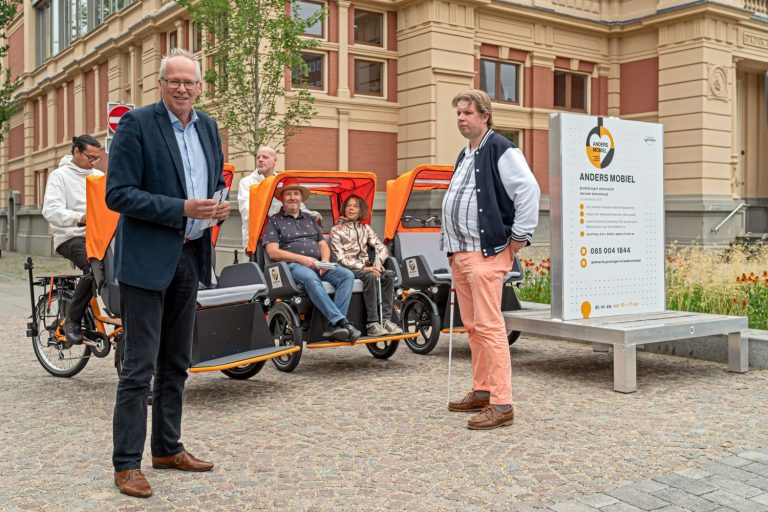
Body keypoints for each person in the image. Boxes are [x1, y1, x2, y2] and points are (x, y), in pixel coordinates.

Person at [106, 48, 230, 498]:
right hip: (146, 260)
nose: (182, 88)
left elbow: (212, 181)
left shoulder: (209, 127)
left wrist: (217, 206)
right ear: (159, 84)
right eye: (173, 81)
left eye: (190, 82)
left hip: (191, 254)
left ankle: (166, 447)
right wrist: (182, 208)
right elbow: (117, 194)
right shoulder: (137, 124)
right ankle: (126, 464)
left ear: (200, 87)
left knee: (177, 361)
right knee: (138, 367)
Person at [443, 89, 540, 430]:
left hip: (485, 254)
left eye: (467, 112)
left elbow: (528, 190)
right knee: (474, 327)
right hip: (462, 253)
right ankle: (482, 390)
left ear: (484, 116)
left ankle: (501, 403)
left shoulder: (501, 148)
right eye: (458, 113)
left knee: (490, 327)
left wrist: (518, 239)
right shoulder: (466, 154)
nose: (461, 118)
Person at [263, 179, 361, 342]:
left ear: (301, 198)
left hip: (317, 264)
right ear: (282, 198)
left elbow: (322, 244)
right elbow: (273, 252)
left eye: (296, 194)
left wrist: (324, 261)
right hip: (292, 267)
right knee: (310, 277)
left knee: (347, 275)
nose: (292, 197)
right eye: (288, 194)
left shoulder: (310, 219)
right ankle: (340, 322)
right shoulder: (274, 221)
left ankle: (334, 327)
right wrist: (303, 259)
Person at [42, 134, 104, 346]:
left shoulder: (98, 175)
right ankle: (73, 321)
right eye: (90, 157)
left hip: (99, 235)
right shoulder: (59, 176)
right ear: (76, 151)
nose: (94, 162)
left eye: (97, 158)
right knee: (92, 268)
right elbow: (50, 210)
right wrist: (79, 218)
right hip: (70, 236)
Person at [329, 195, 403, 336]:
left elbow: (382, 249)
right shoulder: (336, 230)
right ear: (344, 209)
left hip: (367, 267)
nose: (351, 208)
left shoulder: (365, 228)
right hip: (347, 270)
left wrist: (378, 261)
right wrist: (364, 267)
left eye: (355, 206)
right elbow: (340, 259)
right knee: (370, 275)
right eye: (348, 205)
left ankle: (386, 320)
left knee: (388, 275)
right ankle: (372, 323)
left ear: (360, 210)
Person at [237, 146, 321, 250]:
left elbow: (298, 206)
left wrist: (312, 215)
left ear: (275, 161)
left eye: (265, 157)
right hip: (259, 238)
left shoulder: (282, 181)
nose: (260, 160)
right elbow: (247, 211)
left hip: (288, 235)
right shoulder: (246, 182)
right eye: (258, 157)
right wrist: (275, 223)